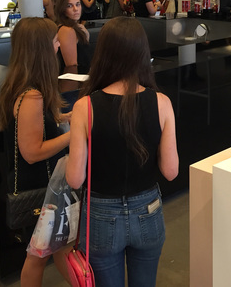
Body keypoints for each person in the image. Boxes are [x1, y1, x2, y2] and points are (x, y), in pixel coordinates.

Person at [66, 16, 179, 287]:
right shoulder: (161, 102)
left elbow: (75, 179)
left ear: (103, 54)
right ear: (142, 53)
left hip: (101, 216)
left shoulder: (85, 107)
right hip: (148, 210)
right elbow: (171, 171)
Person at [0, 17, 71, 287]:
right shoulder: (32, 96)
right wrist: (72, 135)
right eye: (55, 41)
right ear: (42, 48)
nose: (59, 45)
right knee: (39, 255)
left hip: (41, 184)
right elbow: (32, 151)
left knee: (58, 246)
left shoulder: (22, 87)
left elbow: (38, 126)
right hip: (41, 186)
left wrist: (65, 118)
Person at [55, 0, 91, 75]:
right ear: (62, 9)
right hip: (76, 78)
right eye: (69, 6)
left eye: (78, 4)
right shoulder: (67, 30)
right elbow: (72, 67)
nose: (75, 9)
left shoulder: (76, 28)